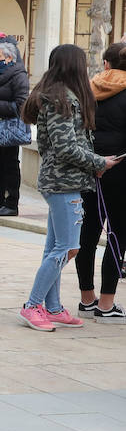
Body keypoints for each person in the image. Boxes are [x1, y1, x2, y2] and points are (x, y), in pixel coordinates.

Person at [20, 44, 122, 331]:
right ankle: (32, 305)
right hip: (64, 182)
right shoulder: (63, 100)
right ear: (74, 66)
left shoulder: (56, 96)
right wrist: (98, 161)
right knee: (68, 248)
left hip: (61, 180)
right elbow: (66, 147)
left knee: (55, 247)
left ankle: (51, 306)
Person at [77, 42, 126, 321]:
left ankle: (86, 298)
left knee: (87, 234)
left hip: (88, 168)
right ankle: (106, 303)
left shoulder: (87, 90)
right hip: (120, 170)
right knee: (118, 235)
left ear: (106, 64)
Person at [0, 39, 31, 216]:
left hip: (9, 128)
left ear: (10, 58)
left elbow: (21, 106)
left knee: (10, 165)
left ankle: (11, 203)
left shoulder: (18, 76)